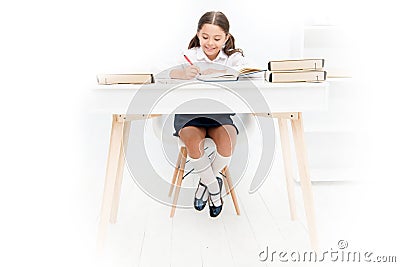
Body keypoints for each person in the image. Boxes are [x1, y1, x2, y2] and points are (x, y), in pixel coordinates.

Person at [169, 11, 247, 218]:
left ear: (226, 38)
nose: (210, 43)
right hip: (190, 114)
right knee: (193, 142)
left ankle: (205, 182)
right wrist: (182, 74)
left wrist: (217, 71)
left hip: (219, 114)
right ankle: (214, 189)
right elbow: (169, 74)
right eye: (205, 37)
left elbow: (239, 74)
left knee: (229, 139)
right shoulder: (190, 55)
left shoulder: (233, 58)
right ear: (198, 34)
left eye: (217, 38)